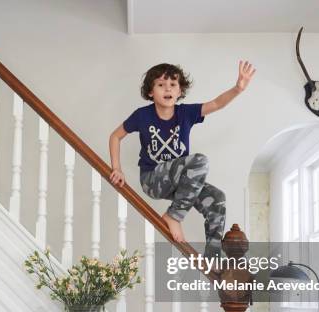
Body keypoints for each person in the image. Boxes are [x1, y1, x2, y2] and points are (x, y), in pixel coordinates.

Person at [108, 61, 255, 257]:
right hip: (152, 179)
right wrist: (116, 168)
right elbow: (115, 136)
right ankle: (173, 216)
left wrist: (238, 88)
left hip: (181, 185)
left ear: (180, 91)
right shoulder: (142, 116)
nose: (167, 88)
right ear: (151, 92)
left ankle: (212, 257)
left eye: (173, 85)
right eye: (161, 85)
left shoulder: (186, 113)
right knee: (200, 161)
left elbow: (217, 103)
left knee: (217, 199)